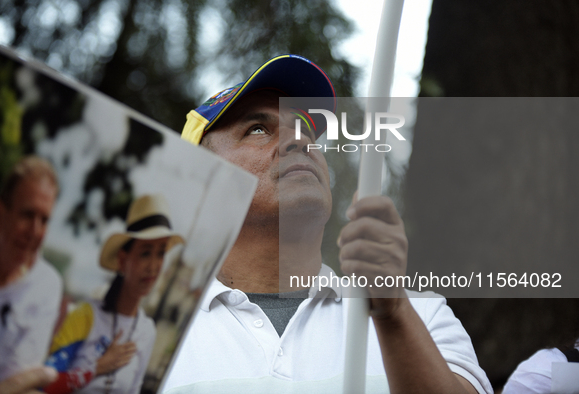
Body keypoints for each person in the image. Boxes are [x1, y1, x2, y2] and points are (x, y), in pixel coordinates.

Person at [163, 55, 493, 393]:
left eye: (305, 130)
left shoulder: (422, 314)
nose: (301, 141)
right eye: (258, 129)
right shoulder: (134, 332)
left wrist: (393, 314)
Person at [44, 194, 184, 393]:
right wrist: (97, 368)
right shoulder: (86, 315)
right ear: (122, 259)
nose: (154, 266)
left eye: (161, 253)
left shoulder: (147, 331)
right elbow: (45, 383)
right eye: (145, 253)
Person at [0, 156, 63, 391]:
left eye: (44, 220)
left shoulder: (46, 287)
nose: (35, 231)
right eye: (27, 215)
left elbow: (16, 382)